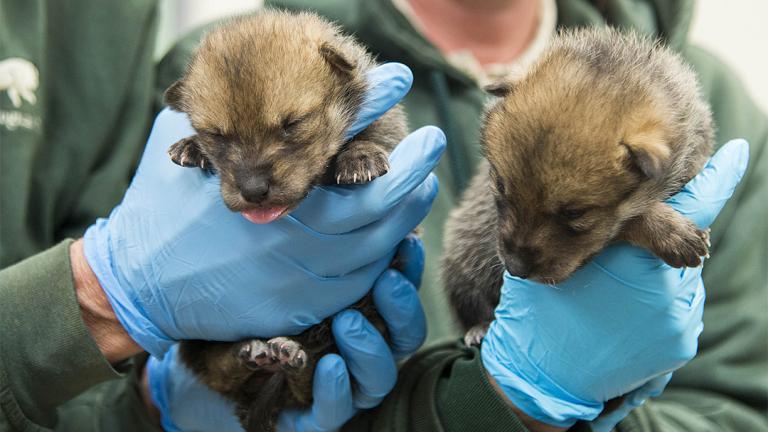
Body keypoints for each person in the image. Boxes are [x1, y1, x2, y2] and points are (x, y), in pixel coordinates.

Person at [0, 1, 765, 432]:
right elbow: (81, 403)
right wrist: (147, 393)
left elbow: (737, 407)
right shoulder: (224, 69)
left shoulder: (713, 107)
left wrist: (542, 408)